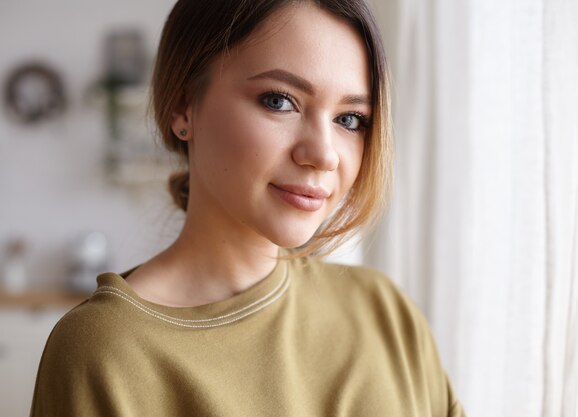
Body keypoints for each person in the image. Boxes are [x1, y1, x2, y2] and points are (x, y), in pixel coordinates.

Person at [31, 0, 466, 415]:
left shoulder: (385, 312)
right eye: (279, 100)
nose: (324, 154)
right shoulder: (104, 351)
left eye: (349, 119)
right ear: (183, 106)